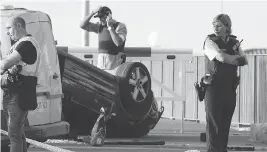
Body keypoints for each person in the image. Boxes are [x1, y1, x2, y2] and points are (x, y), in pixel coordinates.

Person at [203, 14, 248, 152]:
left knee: (225, 124)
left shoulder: (233, 42)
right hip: (214, 87)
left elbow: (245, 60)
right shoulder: (210, 41)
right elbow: (221, 57)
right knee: (214, 125)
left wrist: (231, 57)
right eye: (214, 25)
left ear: (227, 27)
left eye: (219, 25)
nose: (216, 28)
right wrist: (234, 58)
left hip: (229, 88)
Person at [1, 16, 41, 152]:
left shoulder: (26, 44)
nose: (7, 32)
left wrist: (5, 64)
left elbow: (5, 64)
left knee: (14, 135)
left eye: (9, 28)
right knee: (18, 134)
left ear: (18, 25)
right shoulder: (20, 44)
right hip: (13, 92)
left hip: (19, 93)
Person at [80, 6, 127, 73]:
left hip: (116, 68)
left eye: (101, 17)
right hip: (101, 68)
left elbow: (118, 43)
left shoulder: (120, 26)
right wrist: (92, 12)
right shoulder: (99, 26)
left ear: (109, 15)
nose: (100, 20)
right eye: (99, 17)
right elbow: (82, 25)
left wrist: (110, 27)